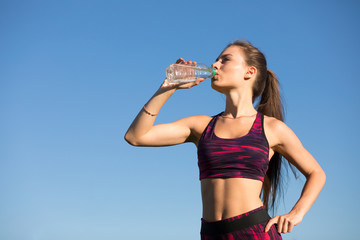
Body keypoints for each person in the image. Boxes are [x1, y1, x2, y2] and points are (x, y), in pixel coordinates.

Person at [124, 40, 326, 240]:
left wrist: (296, 213)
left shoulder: (271, 128)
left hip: (254, 232)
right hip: (211, 235)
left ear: (249, 72)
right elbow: (136, 136)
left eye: (225, 60)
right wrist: (167, 88)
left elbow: (316, 172)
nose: (214, 65)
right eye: (216, 60)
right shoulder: (201, 125)